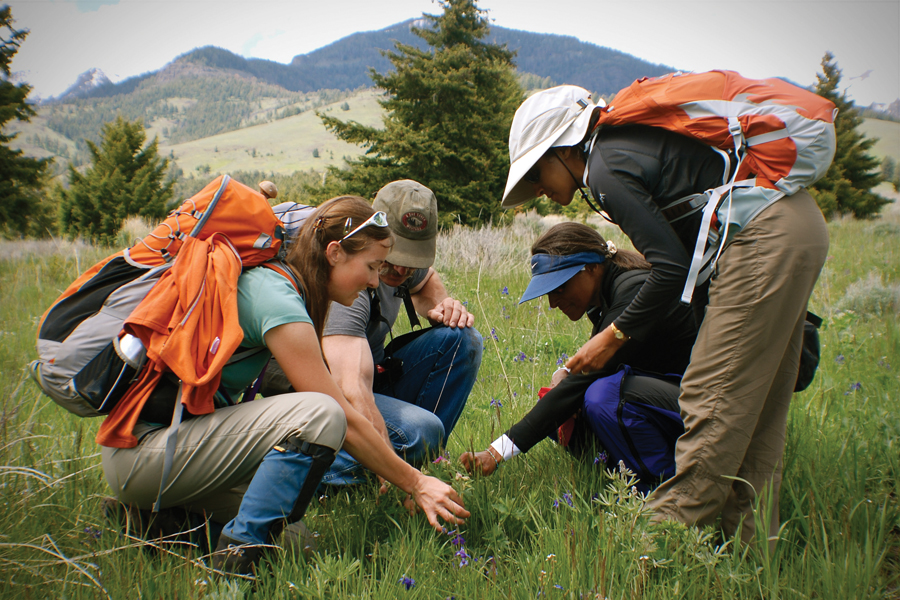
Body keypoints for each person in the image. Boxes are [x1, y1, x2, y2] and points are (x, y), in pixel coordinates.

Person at [500, 85, 830, 545]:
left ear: (563, 148)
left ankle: (664, 544)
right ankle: (751, 548)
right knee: (758, 412)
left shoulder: (604, 167)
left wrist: (612, 335)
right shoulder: (625, 149)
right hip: (792, 226)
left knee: (710, 399)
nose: (538, 188)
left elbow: (670, 269)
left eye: (536, 172)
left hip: (763, 240)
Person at [100, 196, 469, 575]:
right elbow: (339, 411)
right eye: (372, 266)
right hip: (144, 451)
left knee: (298, 548)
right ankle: (235, 566)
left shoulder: (289, 288)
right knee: (320, 412)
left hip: (180, 445)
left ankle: (153, 521)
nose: (376, 281)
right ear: (335, 253)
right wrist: (416, 482)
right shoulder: (276, 298)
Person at [265, 180, 483, 488]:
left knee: (462, 338)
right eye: (394, 260)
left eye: (413, 260)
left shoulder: (400, 263)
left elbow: (425, 280)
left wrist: (442, 305)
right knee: (419, 431)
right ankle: (293, 472)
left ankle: (425, 460)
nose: (402, 271)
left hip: (370, 377)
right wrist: (401, 475)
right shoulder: (349, 278)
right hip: (321, 396)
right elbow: (351, 388)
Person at [460, 223, 696, 490]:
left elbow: (593, 376)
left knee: (603, 397)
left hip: (701, 406)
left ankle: (663, 489)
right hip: (669, 400)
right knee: (560, 404)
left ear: (592, 268)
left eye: (559, 288)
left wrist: (498, 451)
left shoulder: (634, 289)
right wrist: (568, 374)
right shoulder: (609, 294)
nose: (552, 302)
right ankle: (613, 481)